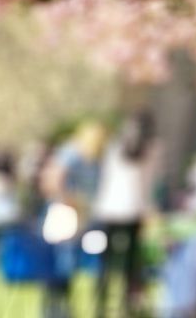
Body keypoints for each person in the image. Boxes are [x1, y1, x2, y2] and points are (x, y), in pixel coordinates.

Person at [93, 111, 157, 318]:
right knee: (130, 259)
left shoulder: (115, 148)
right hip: (132, 210)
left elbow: (106, 179)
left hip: (110, 209)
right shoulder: (149, 151)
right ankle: (126, 301)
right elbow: (148, 186)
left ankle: (101, 300)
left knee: (105, 257)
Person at [41, 121, 107, 318]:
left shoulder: (96, 157)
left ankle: (70, 308)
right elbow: (54, 179)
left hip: (85, 216)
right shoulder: (72, 153)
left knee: (84, 262)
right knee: (61, 263)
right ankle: (55, 310)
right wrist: (71, 199)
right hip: (66, 213)